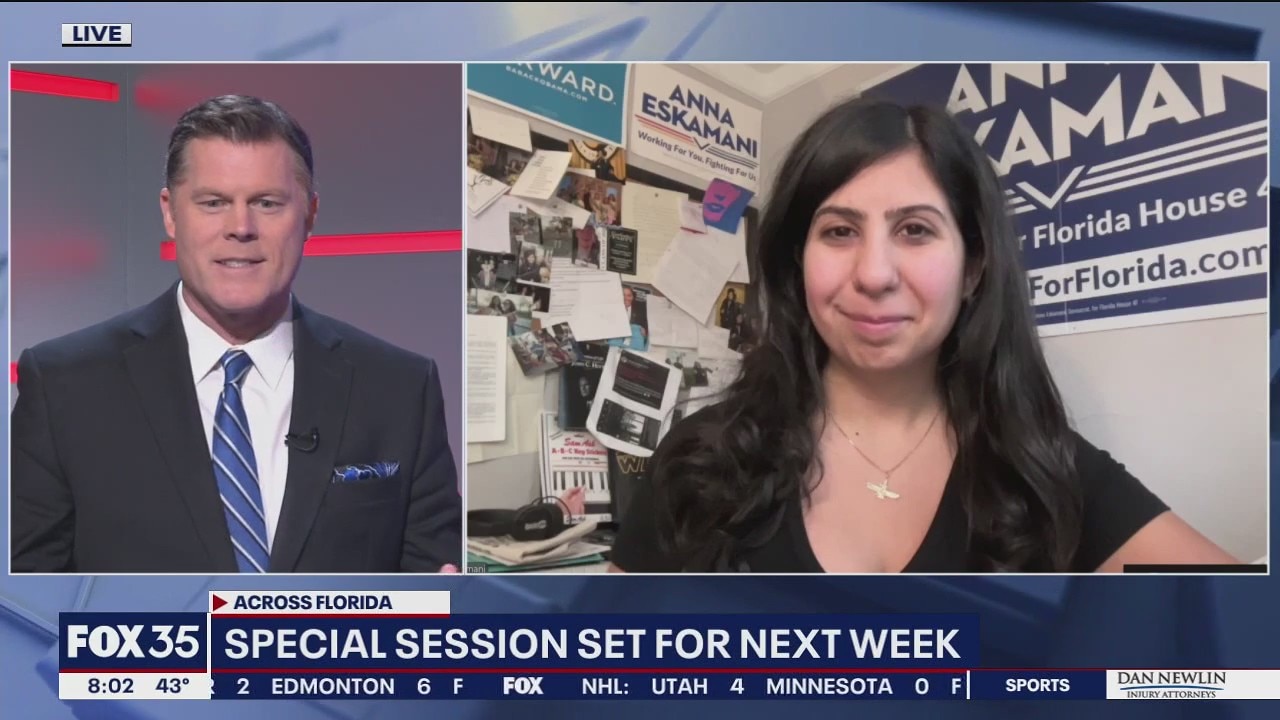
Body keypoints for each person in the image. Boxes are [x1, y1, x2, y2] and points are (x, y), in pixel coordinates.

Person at [609, 96, 1238, 574]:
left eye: (915, 230)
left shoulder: (1047, 474)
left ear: (974, 267)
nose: (874, 274)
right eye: (839, 231)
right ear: (797, 263)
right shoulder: (702, 462)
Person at [10, 95, 462, 574]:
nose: (240, 228)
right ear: (170, 212)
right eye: (213, 203)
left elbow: (435, 587)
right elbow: (26, 593)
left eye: (267, 203)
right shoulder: (65, 384)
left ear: (309, 214)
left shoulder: (399, 388)